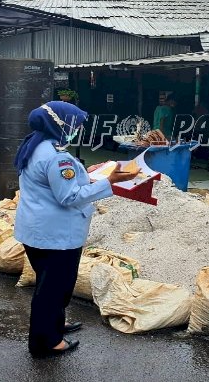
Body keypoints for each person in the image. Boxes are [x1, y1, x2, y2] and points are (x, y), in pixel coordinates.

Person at [13, 101, 138, 358]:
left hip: (37, 231)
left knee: (54, 285)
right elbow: (69, 197)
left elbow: (54, 182)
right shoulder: (57, 156)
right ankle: (46, 342)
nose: (78, 129)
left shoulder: (36, 145)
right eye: (75, 125)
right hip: (55, 236)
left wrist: (87, 173)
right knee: (53, 289)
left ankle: (54, 326)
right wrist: (110, 183)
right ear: (60, 124)